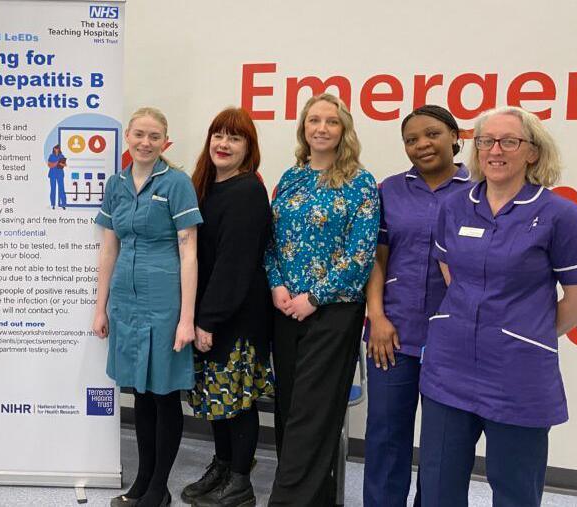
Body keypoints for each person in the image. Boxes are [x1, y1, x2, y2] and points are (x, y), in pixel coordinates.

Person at [419, 106, 577, 506]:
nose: (496, 150)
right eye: (485, 141)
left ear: (532, 152)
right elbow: (451, 273)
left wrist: (526, 331)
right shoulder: (454, 205)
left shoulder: (559, 214)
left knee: (515, 492)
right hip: (450, 368)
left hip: (518, 375)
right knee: (439, 488)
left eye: (509, 141)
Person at [264, 93, 379, 506]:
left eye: (331, 121)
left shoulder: (359, 181)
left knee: (313, 416)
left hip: (333, 312)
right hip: (285, 310)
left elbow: (361, 253)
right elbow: (271, 242)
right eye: (314, 120)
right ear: (304, 128)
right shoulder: (291, 177)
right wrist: (278, 285)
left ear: (343, 130)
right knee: (290, 410)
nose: (322, 128)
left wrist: (314, 297)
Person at [93, 107, 202, 507]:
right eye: (139, 134)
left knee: (163, 393)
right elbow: (109, 247)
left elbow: (188, 251)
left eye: (154, 136)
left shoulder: (176, 184)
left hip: (164, 300)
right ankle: (141, 481)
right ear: (128, 137)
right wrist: (100, 307)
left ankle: (159, 488)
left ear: (165, 142)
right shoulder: (116, 184)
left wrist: (186, 319)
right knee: (139, 392)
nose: (145, 142)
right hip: (125, 298)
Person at [362, 105, 470, 506]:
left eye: (432, 134)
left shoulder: (478, 190)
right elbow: (378, 256)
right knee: (386, 435)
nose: (422, 144)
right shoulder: (389, 189)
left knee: (444, 447)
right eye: (411, 139)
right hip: (394, 332)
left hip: (455, 339)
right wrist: (377, 316)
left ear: (455, 137)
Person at [182, 107, 273, 507]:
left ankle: (240, 482)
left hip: (236, 315)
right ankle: (222, 465)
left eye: (234, 138)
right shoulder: (204, 186)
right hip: (210, 310)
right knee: (216, 396)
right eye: (218, 134)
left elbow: (234, 265)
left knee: (237, 399)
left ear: (248, 148)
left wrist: (208, 320)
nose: (223, 143)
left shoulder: (247, 191)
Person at [47, 144, 67, 209]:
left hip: (60, 174)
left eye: (57, 148)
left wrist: (62, 164)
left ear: (59, 149)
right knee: (53, 189)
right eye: (55, 148)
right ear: (54, 149)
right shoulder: (51, 156)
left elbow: (65, 165)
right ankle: (53, 204)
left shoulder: (62, 156)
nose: (56, 149)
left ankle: (63, 204)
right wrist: (57, 163)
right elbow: (49, 165)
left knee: (61, 188)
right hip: (52, 174)